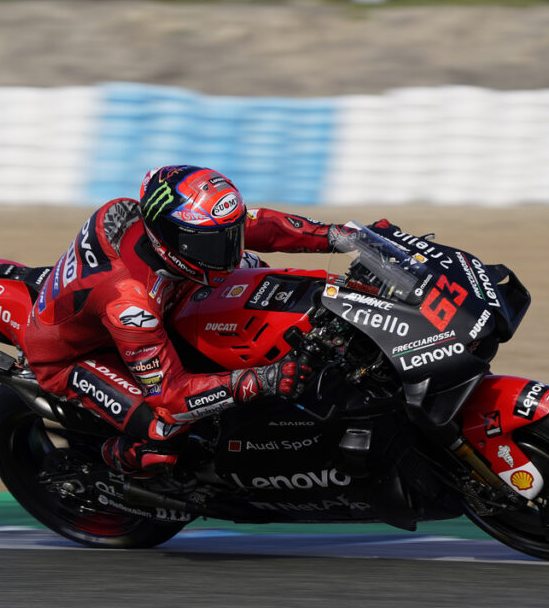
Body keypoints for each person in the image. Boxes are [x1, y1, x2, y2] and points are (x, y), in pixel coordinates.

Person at [20, 165, 341, 475]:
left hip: (156, 298)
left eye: (227, 235)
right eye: (212, 243)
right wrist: (258, 380)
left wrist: (340, 235)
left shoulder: (159, 225)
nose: (228, 251)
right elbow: (171, 397)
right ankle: (102, 465)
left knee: (254, 267)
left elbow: (257, 226)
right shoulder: (132, 306)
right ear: (169, 241)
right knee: (164, 435)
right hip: (78, 355)